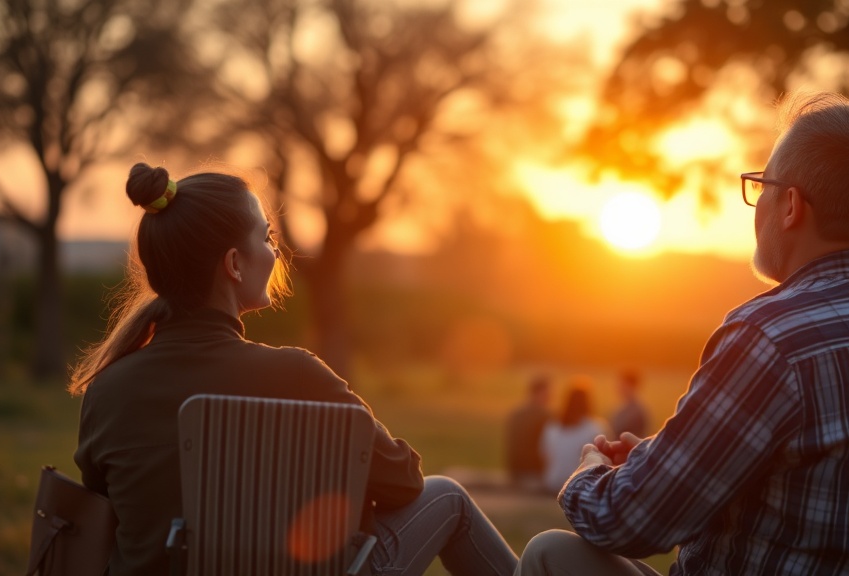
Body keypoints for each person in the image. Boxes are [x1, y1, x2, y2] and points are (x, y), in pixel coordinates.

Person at [515, 92, 849, 575]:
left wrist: (589, 470)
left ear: (791, 205)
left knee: (551, 554)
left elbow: (630, 522)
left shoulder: (769, 336)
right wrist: (678, 464)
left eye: (762, 187)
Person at [70, 163, 518, 576]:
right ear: (233, 264)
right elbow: (404, 482)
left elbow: (103, 514)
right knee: (448, 497)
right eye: (266, 238)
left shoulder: (107, 388)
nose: (275, 252)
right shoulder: (296, 375)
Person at [539, 375, 609, 493]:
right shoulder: (596, 427)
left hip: (553, 481)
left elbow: (544, 455)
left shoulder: (552, 427)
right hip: (578, 484)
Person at [505, 373, 553, 490]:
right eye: (548, 392)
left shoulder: (516, 414)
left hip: (515, 470)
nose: (551, 396)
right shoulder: (545, 416)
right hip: (534, 472)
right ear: (540, 393)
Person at [609, 368, 649, 438]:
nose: (618, 387)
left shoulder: (637, 410)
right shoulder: (621, 407)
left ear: (631, 386)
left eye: (622, 384)